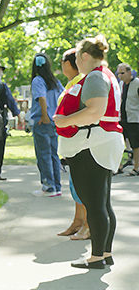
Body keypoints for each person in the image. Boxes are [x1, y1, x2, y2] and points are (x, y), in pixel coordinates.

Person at [54, 35, 124, 269]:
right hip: (104, 141)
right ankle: (104, 253)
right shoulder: (108, 75)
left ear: (85, 56)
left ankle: (96, 257)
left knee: (94, 204)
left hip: (93, 143)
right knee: (102, 203)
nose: (76, 63)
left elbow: (95, 112)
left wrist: (63, 121)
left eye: (76, 57)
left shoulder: (94, 76)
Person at [55, 49, 90, 240]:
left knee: (82, 185)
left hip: (80, 141)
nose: (61, 64)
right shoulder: (71, 83)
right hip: (70, 142)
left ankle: (87, 224)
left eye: (62, 61)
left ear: (69, 63)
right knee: (74, 185)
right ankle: (78, 220)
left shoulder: (83, 82)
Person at [30, 53, 64, 197]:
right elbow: (64, 97)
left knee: (43, 155)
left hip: (42, 121)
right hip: (54, 122)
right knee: (53, 155)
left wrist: (44, 115)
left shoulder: (38, 80)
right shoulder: (54, 81)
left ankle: (48, 186)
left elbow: (42, 98)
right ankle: (57, 185)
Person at [116, 63, 139, 176]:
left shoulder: (137, 83)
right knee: (119, 143)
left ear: (129, 72)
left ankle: (136, 168)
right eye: (118, 73)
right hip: (122, 119)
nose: (120, 75)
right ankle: (119, 167)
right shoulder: (120, 84)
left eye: (122, 73)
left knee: (135, 145)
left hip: (134, 119)